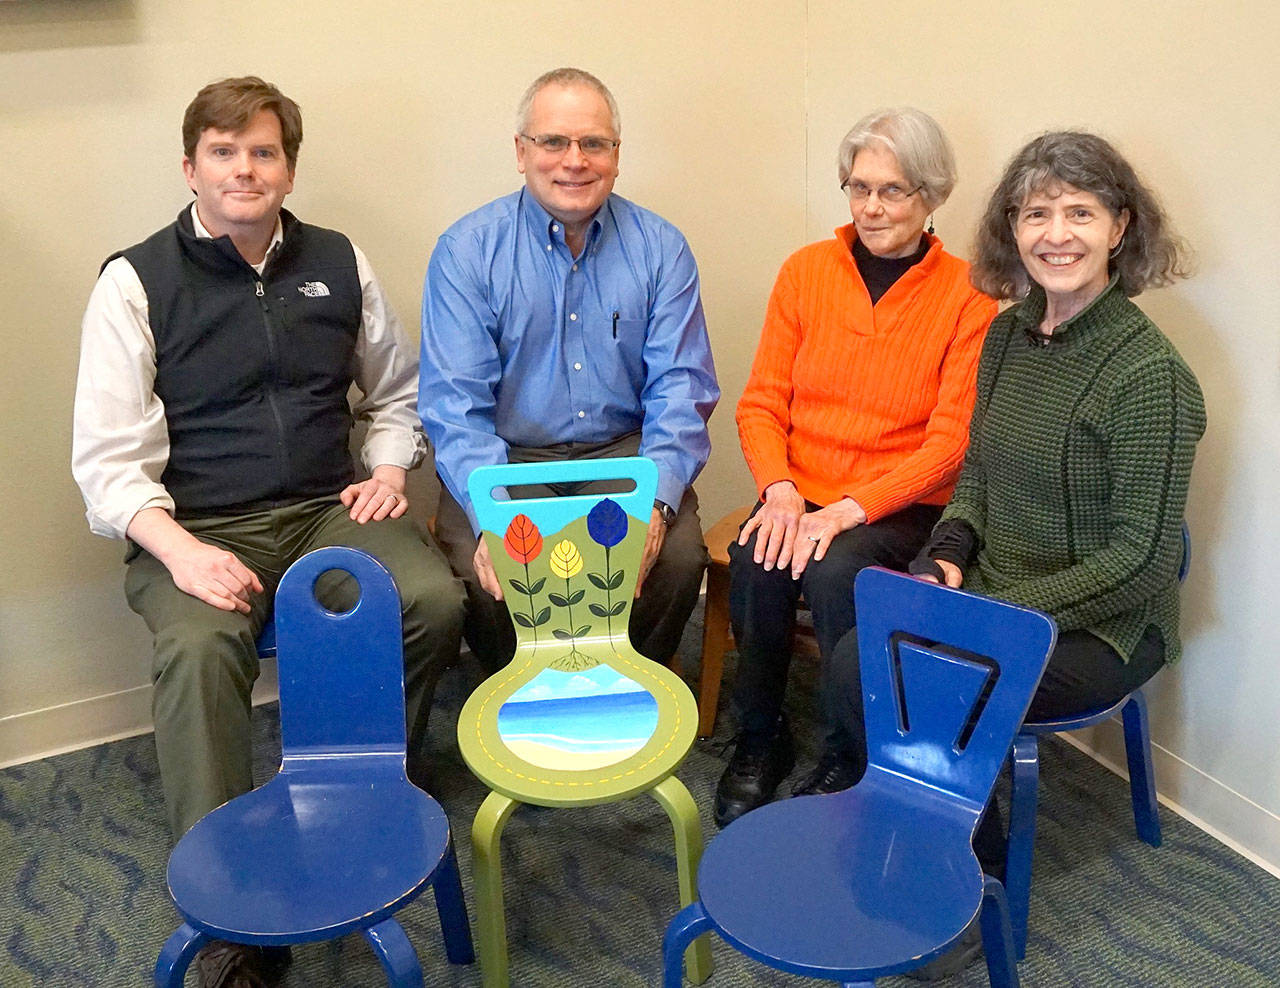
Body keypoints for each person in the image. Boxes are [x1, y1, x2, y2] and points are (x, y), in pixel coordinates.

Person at [72, 76, 464, 987]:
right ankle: (230, 907)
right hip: (199, 523)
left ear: (287, 169)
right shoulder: (134, 282)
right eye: (223, 151)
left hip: (329, 505)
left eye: (263, 152)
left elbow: (397, 393)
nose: (244, 169)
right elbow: (106, 461)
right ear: (190, 166)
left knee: (430, 600)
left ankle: (367, 786)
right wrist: (180, 549)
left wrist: (389, 470)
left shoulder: (338, 259)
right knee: (203, 650)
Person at [823, 131, 1205, 975]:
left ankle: (971, 880)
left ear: (1120, 228)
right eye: (1037, 213)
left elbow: (1139, 560)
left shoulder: (1150, 377)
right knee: (861, 657)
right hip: (999, 593)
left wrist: (997, 614)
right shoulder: (1008, 336)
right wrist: (949, 554)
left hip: (1103, 627)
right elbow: (980, 480)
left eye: (1080, 212)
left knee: (910, 677)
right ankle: (932, 832)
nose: (1056, 234)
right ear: (1011, 229)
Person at [714, 108, 996, 827]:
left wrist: (847, 509)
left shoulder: (970, 296)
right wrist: (778, 490)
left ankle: (850, 748)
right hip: (798, 489)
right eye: (858, 187)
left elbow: (950, 445)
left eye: (893, 191)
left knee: (842, 571)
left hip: (899, 504)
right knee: (757, 559)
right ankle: (760, 736)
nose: (871, 207)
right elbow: (761, 403)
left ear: (932, 195)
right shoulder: (806, 272)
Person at [419, 67, 719, 674]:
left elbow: (680, 390)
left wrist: (656, 506)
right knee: (489, 578)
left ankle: (630, 686)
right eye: (554, 142)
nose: (574, 160)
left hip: (623, 453)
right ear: (522, 152)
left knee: (681, 558)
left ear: (616, 154)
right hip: (509, 455)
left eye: (594, 143)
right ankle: (524, 696)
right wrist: (497, 516)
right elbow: (455, 406)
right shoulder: (466, 252)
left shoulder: (662, 249)